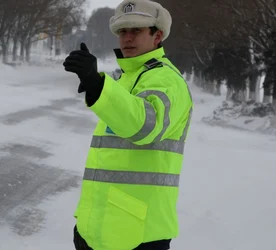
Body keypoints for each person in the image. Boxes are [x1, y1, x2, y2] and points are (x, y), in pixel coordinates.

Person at [62, 0, 194, 249]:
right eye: (123, 31)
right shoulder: (126, 78)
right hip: (99, 232)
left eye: (136, 30)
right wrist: (84, 228)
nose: (127, 38)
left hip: (139, 238)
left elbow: (144, 126)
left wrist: (97, 85)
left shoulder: (166, 79)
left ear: (158, 36)